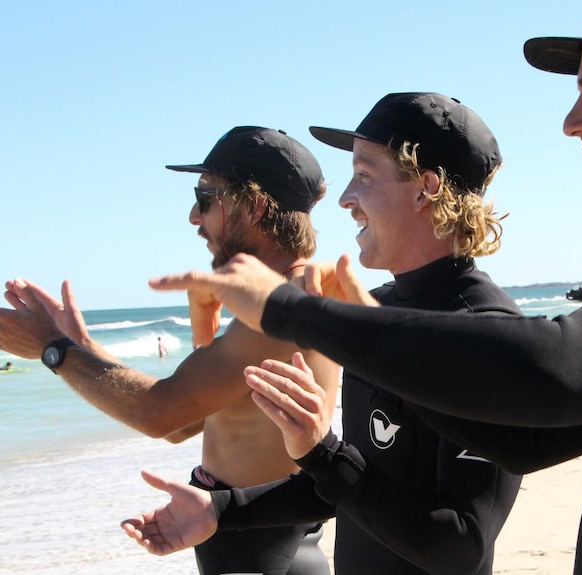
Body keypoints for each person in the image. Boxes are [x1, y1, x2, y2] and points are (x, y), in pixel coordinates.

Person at [141, 1, 582, 573]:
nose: (572, 123)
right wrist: (267, 484)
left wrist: (293, 308)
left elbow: (554, 371)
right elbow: (533, 439)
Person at [123, 93, 523, 574]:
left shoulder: (487, 332)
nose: (344, 198)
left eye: (364, 176)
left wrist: (323, 452)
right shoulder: (373, 312)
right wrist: (220, 511)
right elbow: (356, 486)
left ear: (426, 189)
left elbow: (461, 544)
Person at [0, 127, 341, 575]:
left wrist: (55, 350)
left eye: (205, 197)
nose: (192, 217)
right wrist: (83, 345)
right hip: (261, 545)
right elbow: (190, 421)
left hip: (261, 551)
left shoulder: (279, 309)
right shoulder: (287, 301)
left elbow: (158, 414)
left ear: (255, 206)